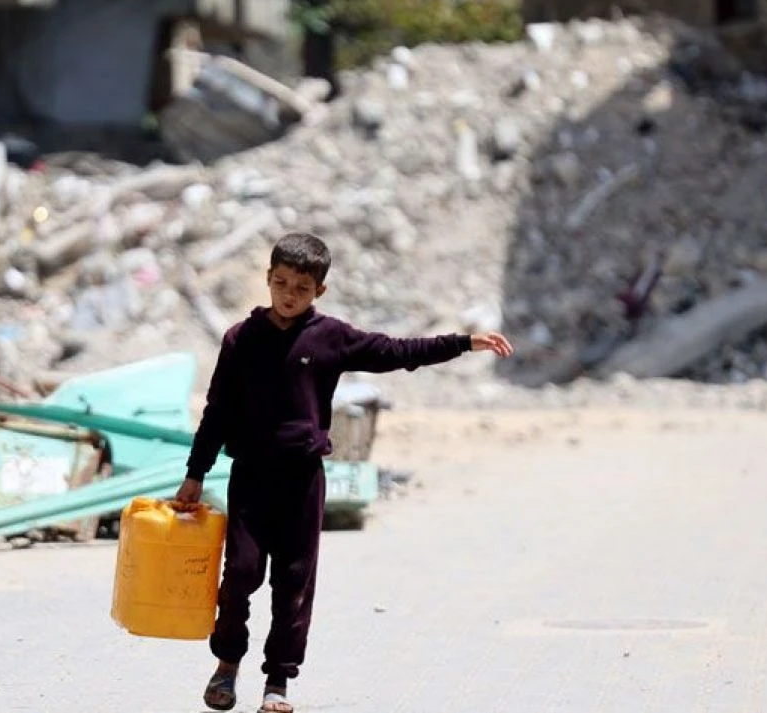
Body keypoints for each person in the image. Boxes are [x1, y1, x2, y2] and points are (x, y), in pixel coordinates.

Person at [174, 233, 514, 713]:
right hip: (250, 479)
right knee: (240, 574)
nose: (289, 295)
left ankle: (277, 683)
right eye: (281, 283)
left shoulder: (329, 338)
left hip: (302, 482)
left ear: (320, 291)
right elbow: (217, 412)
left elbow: (396, 351)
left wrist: (462, 343)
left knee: (294, 583)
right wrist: (195, 474)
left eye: (302, 288)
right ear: (268, 279)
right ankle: (227, 665)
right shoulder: (240, 340)